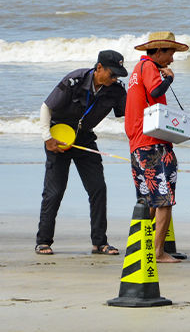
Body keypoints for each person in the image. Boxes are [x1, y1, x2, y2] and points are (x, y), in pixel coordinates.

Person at [36, 50, 128, 255]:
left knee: (98, 189)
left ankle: (100, 242)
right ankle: (43, 241)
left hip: (84, 138)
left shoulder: (116, 90)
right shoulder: (74, 80)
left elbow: (129, 118)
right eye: (112, 74)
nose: (115, 79)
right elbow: (46, 107)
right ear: (99, 68)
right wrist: (47, 138)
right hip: (59, 136)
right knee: (55, 191)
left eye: (118, 76)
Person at [125, 31, 189, 263]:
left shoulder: (136, 69)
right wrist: (169, 79)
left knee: (147, 201)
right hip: (153, 144)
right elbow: (155, 92)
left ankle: (140, 246)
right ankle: (158, 252)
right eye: (170, 53)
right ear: (159, 50)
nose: (172, 59)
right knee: (164, 200)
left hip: (137, 143)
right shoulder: (150, 67)